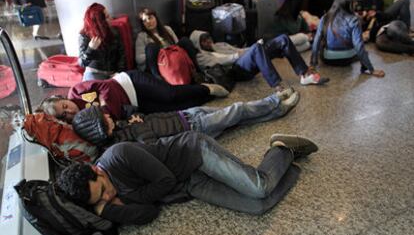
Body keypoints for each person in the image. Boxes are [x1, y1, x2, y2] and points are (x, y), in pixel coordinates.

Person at [56, 131, 319, 225]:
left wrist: (129, 198)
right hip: (191, 183)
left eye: (102, 189)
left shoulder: (119, 155)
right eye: (99, 199)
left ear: (97, 170)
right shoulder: (102, 195)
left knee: (260, 187)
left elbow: (165, 181)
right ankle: (289, 164)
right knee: (257, 206)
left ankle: (280, 149)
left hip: (195, 153)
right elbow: (149, 213)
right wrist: (106, 211)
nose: (108, 197)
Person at [72, 91, 300, 146]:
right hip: (194, 127)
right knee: (238, 110)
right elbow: (160, 147)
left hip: (186, 115)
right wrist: (143, 129)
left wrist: (137, 117)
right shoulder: (124, 144)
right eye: (103, 119)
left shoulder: (120, 126)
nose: (107, 115)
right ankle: (274, 101)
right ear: (100, 130)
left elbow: (135, 111)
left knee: (236, 116)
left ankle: (278, 110)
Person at [36, 70, 229, 123]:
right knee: (175, 108)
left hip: (131, 82)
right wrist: (106, 108)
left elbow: (107, 87)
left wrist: (104, 110)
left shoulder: (76, 91)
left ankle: (206, 88)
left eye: (64, 106)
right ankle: (208, 97)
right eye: (65, 114)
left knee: (171, 95)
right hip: (136, 105)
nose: (69, 110)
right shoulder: (80, 120)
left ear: (62, 98)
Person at [190, 30, 329, 94]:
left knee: (283, 39)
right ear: (198, 43)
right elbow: (222, 61)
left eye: (208, 38)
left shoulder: (220, 44)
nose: (208, 42)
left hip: (245, 59)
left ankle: (304, 74)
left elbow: (239, 49)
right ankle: (277, 86)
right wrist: (249, 51)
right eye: (204, 41)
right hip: (236, 70)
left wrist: (251, 49)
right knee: (257, 48)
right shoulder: (201, 56)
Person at [311, 0, 385, 77]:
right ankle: (364, 69)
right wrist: (371, 69)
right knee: (365, 52)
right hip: (346, 59)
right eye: (354, 2)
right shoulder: (354, 19)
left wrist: (313, 64)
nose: (356, 4)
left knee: (322, 44)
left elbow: (316, 42)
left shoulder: (325, 17)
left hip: (327, 59)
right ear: (348, 3)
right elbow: (359, 46)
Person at [135, 7, 200, 80]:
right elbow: (139, 59)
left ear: (155, 18)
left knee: (184, 40)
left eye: (150, 18)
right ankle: (159, 80)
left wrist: (169, 52)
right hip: (158, 64)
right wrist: (160, 53)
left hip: (172, 59)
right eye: (145, 21)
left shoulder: (167, 29)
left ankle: (197, 71)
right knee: (151, 47)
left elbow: (177, 45)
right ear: (143, 24)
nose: (148, 22)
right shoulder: (142, 36)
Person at [78, 3, 127, 81]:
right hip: (95, 72)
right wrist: (90, 49)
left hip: (113, 72)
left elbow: (121, 55)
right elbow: (81, 63)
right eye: (107, 17)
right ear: (99, 21)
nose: (111, 18)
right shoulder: (84, 35)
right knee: (98, 90)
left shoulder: (114, 32)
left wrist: (119, 72)